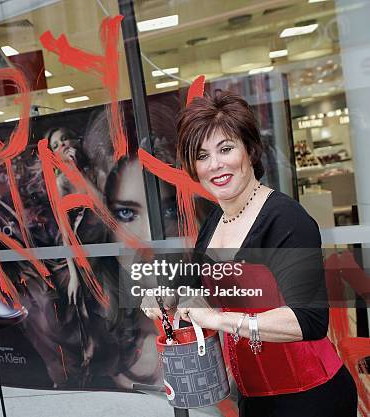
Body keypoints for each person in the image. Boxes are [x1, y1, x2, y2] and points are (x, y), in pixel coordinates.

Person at [144, 91, 357, 416]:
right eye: (202, 156)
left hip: (309, 397)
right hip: (253, 397)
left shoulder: (286, 219)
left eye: (226, 149)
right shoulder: (216, 218)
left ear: (250, 150)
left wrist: (219, 319)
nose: (215, 165)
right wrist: (167, 297)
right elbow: (198, 286)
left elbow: (309, 320)